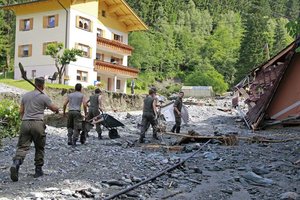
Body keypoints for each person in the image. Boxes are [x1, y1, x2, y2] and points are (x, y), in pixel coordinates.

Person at [10, 77, 59, 182]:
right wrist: (57, 109)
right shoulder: (44, 96)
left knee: (22, 147)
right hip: (38, 123)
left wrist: (23, 120)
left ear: (35, 84)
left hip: (25, 122)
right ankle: (38, 170)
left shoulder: (25, 96)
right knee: (39, 147)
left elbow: (21, 111)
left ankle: (16, 163)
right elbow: (54, 108)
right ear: (43, 85)